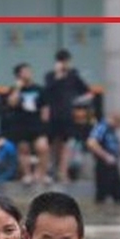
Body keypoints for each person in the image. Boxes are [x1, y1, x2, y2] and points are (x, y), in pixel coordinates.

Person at [41, 49, 91, 183]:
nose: (64, 64)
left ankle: (63, 172)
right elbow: (46, 92)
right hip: (53, 115)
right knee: (53, 144)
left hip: (68, 114)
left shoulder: (74, 76)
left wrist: (78, 102)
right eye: (61, 61)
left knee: (67, 143)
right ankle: (52, 169)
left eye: (66, 61)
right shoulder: (50, 76)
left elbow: (87, 92)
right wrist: (58, 76)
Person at [3, 63, 50, 185]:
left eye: (29, 71)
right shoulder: (14, 89)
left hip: (36, 123)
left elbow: (45, 106)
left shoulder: (39, 89)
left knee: (42, 148)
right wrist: (17, 88)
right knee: (24, 150)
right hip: (21, 123)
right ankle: (27, 175)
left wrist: (45, 121)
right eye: (24, 71)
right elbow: (12, 103)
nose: (28, 73)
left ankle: (41, 174)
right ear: (18, 75)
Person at [86, 111, 120, 204]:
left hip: (113, 166)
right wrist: (106, 156)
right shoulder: (102, 127)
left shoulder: (111, 131)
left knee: (119, 197)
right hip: (104, 166)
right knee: (102, 196)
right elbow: (91, 143)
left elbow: (112, 146)